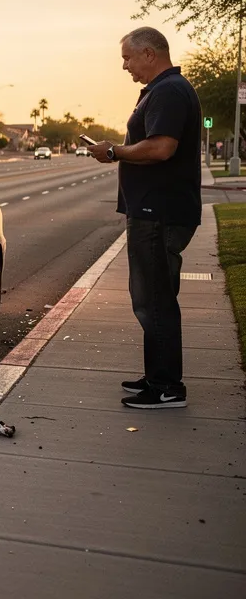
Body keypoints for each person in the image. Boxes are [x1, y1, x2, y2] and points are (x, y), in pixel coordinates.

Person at [90, 26, 202, 409]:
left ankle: (168, 387)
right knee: (153, 297)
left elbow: (161, 148)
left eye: (128, 58)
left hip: (160, 212)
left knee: (154, 300)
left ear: (150, 54)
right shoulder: (163, 90)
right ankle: (157, 376)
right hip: (154, 210)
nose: (125, 66)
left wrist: (114, 152)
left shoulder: (169, 91)